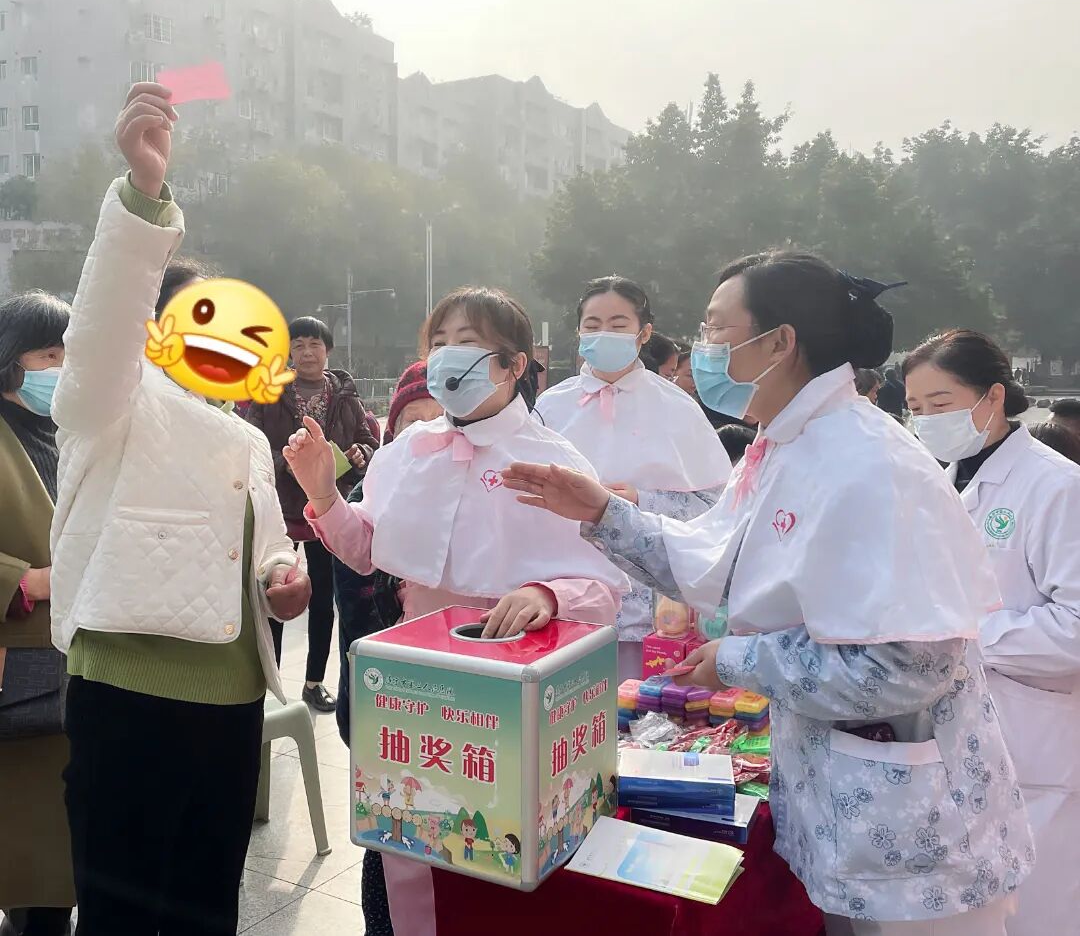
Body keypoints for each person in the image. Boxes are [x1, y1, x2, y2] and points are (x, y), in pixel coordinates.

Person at [505, 251, 1033, 934]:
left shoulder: (868, 463)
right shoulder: (789, 444)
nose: (703, 347)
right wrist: (603, 512)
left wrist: (738, 660)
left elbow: (907, 666)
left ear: (779, 341)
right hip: (847, 805)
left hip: (914, 834)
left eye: (717, 328)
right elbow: (712, 560)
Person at [283, 285, 629, 936]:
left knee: (497, 851)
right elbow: (367, 552)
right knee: (408, 837)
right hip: (416, 685)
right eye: (438, 343)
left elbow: (606, 588)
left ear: (515, 365)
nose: (447, 357)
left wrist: (545, 594)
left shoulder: (552, 461)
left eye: (467, 343)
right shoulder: (409, 452)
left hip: (510, 694)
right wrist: (324, 495)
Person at [49, 83, 311, 936]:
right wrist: (145, 196)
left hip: (232, 703)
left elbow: (269, 550)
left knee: (206, 909)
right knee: (121, 914)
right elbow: (102, 327)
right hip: (127, 695)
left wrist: (285, 578)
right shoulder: (110, 403)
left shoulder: (245, 439)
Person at [905, 329, 1080, 936]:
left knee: (1036, 911)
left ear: (994, 396)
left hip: (1031, 736)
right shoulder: (937, 481)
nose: (928, 420)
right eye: (916, 407)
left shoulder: (1057, 486)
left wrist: (966, 632)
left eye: (942, 403)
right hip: (952, 731)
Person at [535, 276, 730, 679]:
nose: (604, 334)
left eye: (618, 324)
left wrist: (642, 500)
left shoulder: (677, 407)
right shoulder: (550, 406)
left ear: (644, 333)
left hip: (654, 612)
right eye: (592, 325)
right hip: (564, 597)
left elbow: (717, 509)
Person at [333, 361, 442, 936]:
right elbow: (355, 613)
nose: (423, 431)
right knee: (391, 831)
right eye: (409, 421)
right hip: (389, 698)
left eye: (437, 418)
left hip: (459, 705)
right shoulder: (367, 498)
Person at [247, 315, 378, 712]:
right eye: (299, 345)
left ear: (328, 350)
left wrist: (361, 453)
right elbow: (251, 442)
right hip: (282, 511)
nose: (307, 353)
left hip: (328, 512)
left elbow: (368, 439)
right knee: (274, 595)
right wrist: (287, 463)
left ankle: (313, 682)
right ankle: (268, 683)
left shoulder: (346, 396)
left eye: (315, 345)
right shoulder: (270, 393)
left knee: (323, 600)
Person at [0, 292, 74, 936]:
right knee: (24, 842)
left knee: (56, 853)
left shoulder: (71, 436)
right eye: (49, 355)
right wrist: (22, 581)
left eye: (68, 354)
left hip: (73, 668)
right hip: (15, 666)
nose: (61, 368)